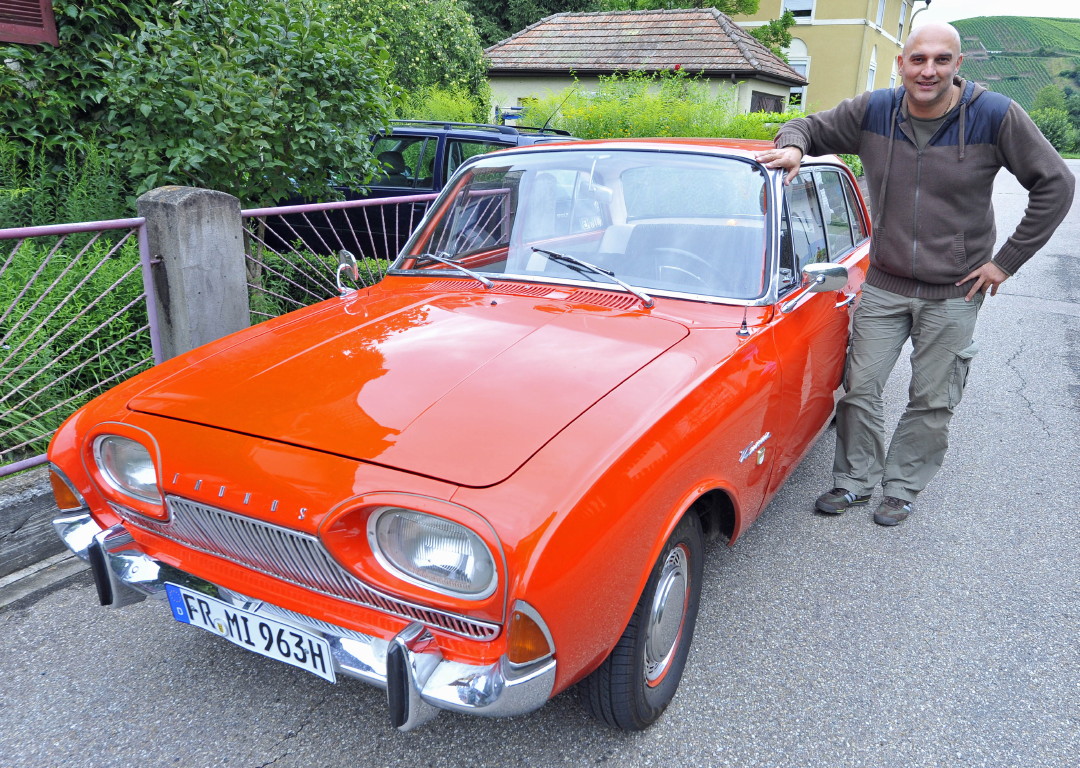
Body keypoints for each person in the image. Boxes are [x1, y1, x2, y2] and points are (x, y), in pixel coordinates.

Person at [756, 22, 1074, 526]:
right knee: (860, 387)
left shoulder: (995, 115)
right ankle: (854, 480)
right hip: (885, 283)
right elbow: (805, 125)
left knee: (932, 398)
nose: (929, 70)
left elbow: (1055, 183)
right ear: (901, 63)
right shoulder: (874, 110)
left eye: (941, 60)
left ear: (958, 65)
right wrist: (794, 146)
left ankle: (901, 487)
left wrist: (1005, 261)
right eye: (918, 59)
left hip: (955, 291)